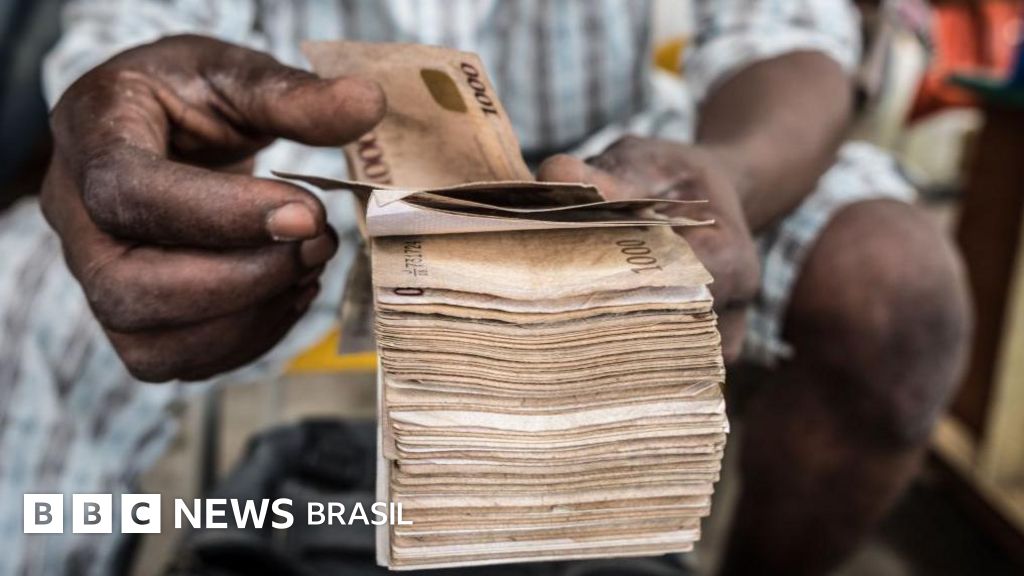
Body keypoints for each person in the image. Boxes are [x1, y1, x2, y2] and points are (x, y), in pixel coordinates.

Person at [0, 1, 970, 574]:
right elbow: (133, 26)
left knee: (893, 292)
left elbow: (783, 31)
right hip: (285, 169)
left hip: (614, 158)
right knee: (39, 318)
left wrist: (726, 175)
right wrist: (123, 114)